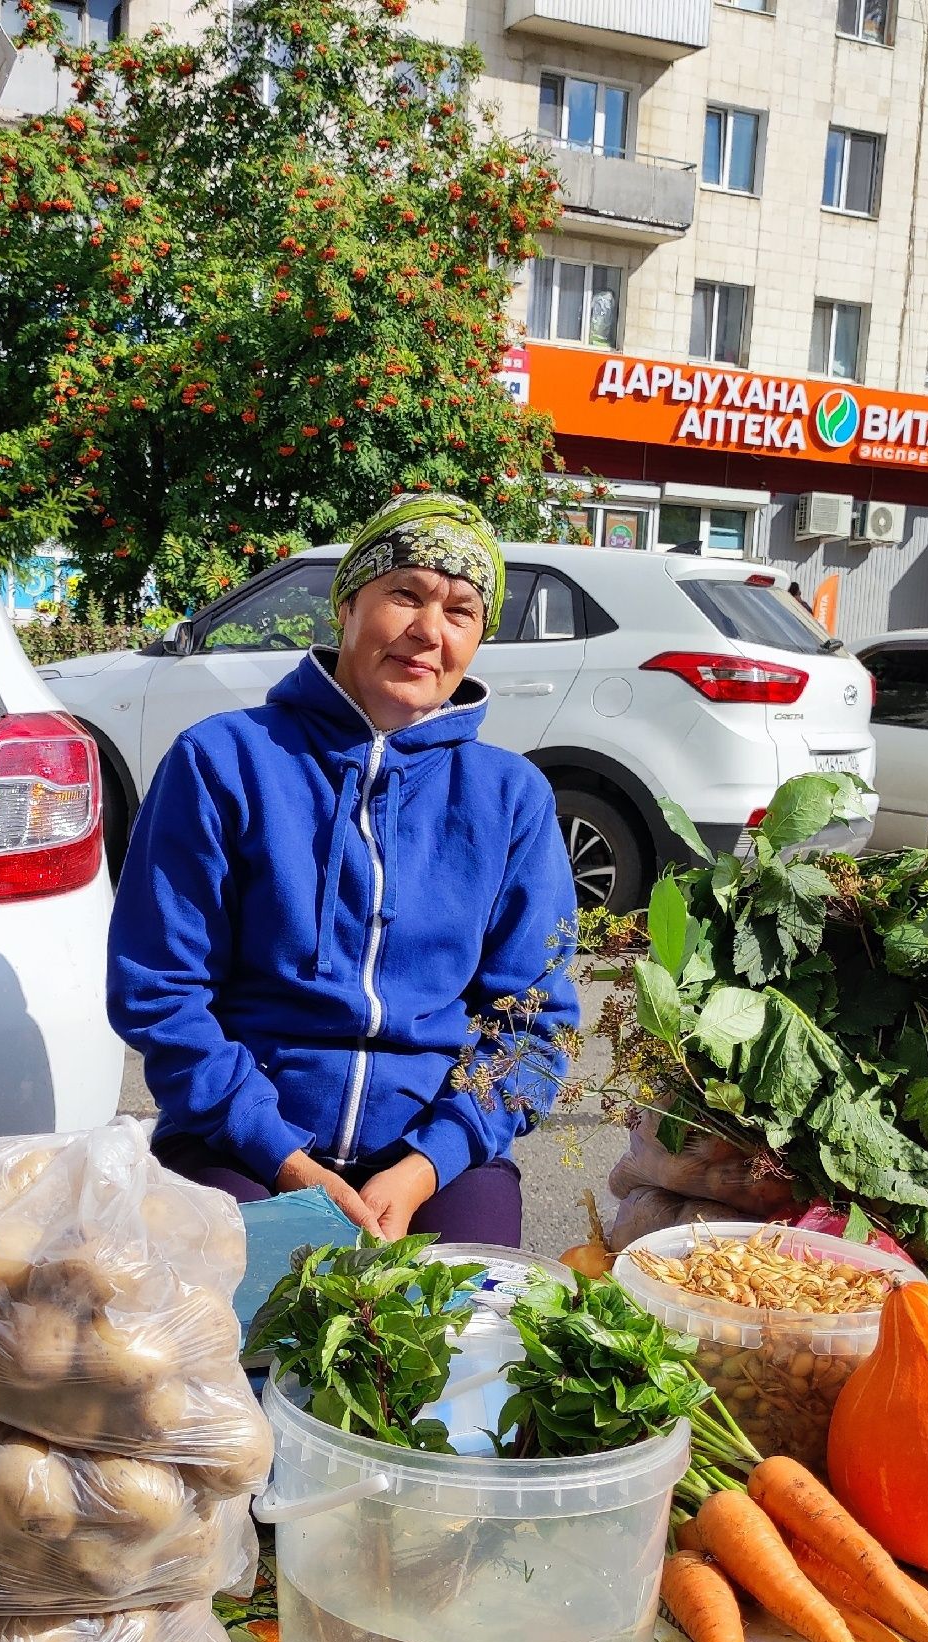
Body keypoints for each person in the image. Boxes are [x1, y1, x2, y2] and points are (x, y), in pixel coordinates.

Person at [108, 495, 581, 1246]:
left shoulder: (510, 798)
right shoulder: (223, 761)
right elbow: (160, 993)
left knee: (463, 1338)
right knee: (235, 1330)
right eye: (406, 594)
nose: (429, 631)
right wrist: (285, 1160)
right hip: (244, 1137)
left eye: (461, 611)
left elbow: (533, 1028)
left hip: (434, 1150)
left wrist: (425, 1165)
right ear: (349, 603)